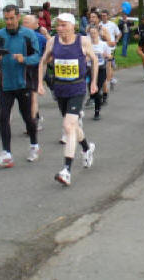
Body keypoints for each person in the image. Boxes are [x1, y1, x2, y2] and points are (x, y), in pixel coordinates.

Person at [38, 13, 98, 186]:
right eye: (58, 25)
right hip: (60, 89)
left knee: (68, 126)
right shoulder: (52, 42)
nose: (60, 28)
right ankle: (86, 148)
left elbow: (94, 60)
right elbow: (43, 61)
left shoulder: (83, 41)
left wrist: (93, 82)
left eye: (64, 25)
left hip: (77, 88)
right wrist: (40, 82)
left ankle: (66, 170)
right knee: (73, 125)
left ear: (73, 26)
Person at [0, 5, 41, 167]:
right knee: (3, 118)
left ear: (18, 17)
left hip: (23, 83)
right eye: (6, 19)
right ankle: (6, 153)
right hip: (5, 83)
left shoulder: (28, 34)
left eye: (12, 18)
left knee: (27, 117)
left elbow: (37, 56)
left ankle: (34, 145)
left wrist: (24, 59)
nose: (9, 22)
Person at [22, 14, 48, 131]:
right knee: (25, 98)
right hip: (21, 69)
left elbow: (49, 53)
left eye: (27, 22)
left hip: (35, 69)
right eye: (23, 22)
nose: (24, 24)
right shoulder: (17, 36)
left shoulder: (40, 38)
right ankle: (35, 117)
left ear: (34, 25)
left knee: (33, 96)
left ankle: (33, 124)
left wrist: (43, 64)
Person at [86, 25, 111, 120]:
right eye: (91, 33)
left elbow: (110, 57)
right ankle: (93, 97)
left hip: (101, 70)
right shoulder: (87, 44)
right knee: (91, 90)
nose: (93, 35)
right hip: (89, 70)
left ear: (98, 33)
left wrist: (106, 56)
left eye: (94, 33)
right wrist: (86, 58)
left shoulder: (103, 44)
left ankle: (97, 112)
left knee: (96, 89)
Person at [100, 9, 120, 99]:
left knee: (109, 65)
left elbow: (119, 33)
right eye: (102, 15)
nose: (103, 17)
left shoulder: (112, 24)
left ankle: (108, 81)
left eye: (104, 15)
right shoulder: (99, 25)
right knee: (104, 64)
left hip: (111, 47)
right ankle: (110, 79)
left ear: (108, 16)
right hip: (101, 47)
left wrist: (116, 40)